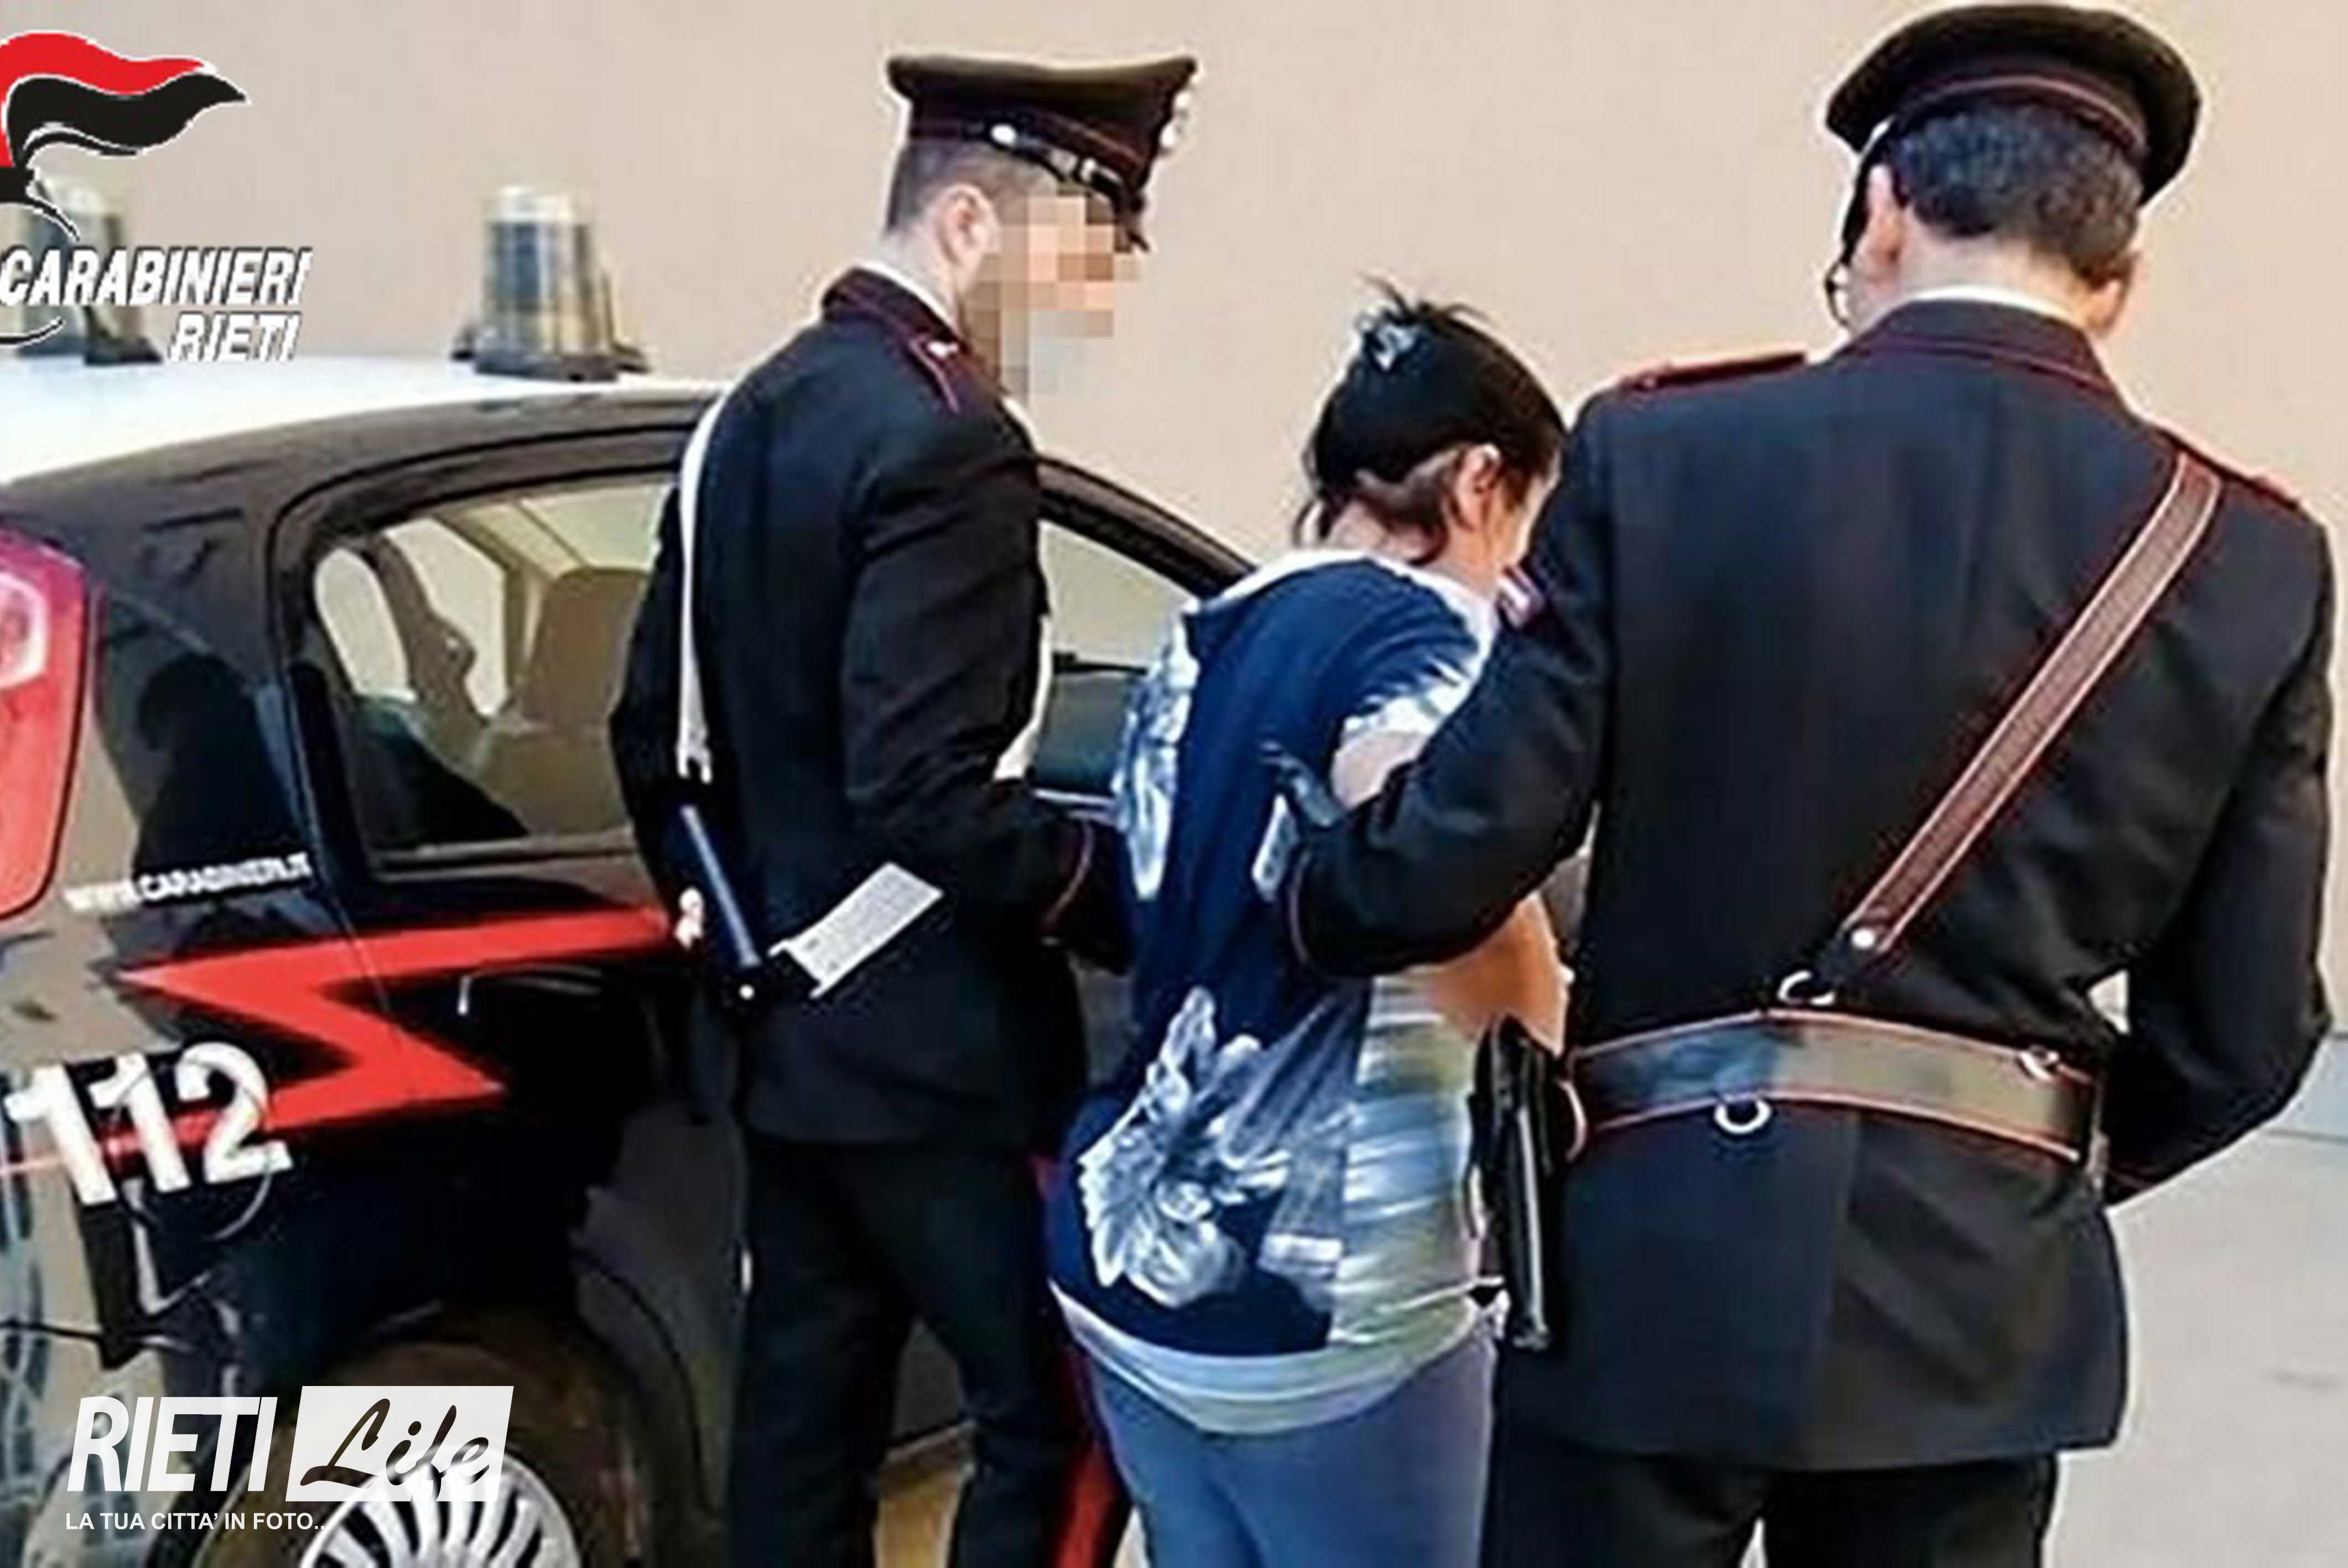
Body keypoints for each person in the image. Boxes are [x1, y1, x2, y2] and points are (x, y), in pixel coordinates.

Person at [1286, 7, 2331, 1566]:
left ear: (1882, 211)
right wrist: (2014, 1156)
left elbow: (1452, 855)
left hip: (1651, 1265)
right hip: (1977, 1305)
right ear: (2117, 275)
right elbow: (2245, 1029)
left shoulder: (1663, 452)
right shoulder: (2245, 555)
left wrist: (1315, 885)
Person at [610, 52, 1196, 1568]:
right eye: (1084, 263)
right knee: (1051, 1426)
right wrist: (1137, 898)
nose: (1090, 310)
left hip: (785, 1037)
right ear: (969, 224)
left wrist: (731, 920)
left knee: (804, 1430)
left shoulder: (745, 413)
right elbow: (926, 787)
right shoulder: (951, 438)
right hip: (940, 1053)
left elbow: (651, 737)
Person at [1045, 295, 1570, 1568]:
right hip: (1322, 1293)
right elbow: (1420, 852)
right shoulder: (1428, 629)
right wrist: (1544, 1028)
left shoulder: (1207, 627)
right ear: (1480, 481)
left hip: (1129, 1255)